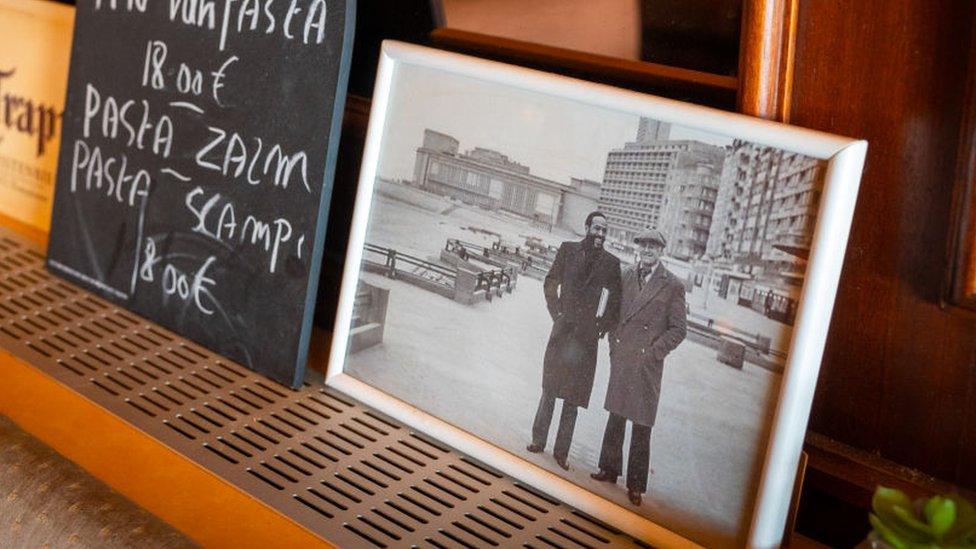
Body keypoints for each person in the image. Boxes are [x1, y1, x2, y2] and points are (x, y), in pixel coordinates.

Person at [590, 229, 687, 506]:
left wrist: (654, 353)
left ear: (661, 251)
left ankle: (635, 485)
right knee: (616, 414)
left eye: (653, 246)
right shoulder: (627, 274)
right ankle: (609, 469)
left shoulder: (673, 285)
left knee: (641, 424)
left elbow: (679, 330)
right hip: (623, 356)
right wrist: (613, 343)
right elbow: (614, 311)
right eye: (644, 245)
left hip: (647, 365)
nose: (647, 250)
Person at [527, 211, 621, 470]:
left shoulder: (611, 264)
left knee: (573, 397)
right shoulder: (567, 250)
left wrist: (602, 326)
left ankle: (561, 453)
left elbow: (615, 302)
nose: (600, 234)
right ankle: (538, 440)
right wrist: (556, 312)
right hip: (563, 331)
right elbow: (550, 281)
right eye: (597, 228)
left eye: (604, 230)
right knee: (550, 389)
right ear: (587, 227)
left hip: (586, 340)